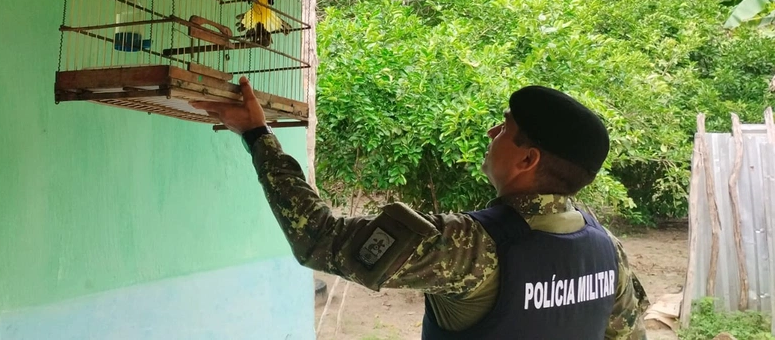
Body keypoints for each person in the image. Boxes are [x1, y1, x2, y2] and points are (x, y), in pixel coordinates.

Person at [191, 78, 650, 339]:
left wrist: (256, 134)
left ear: (528, 160)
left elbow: (318, 237)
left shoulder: (473, 247)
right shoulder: (606, 249)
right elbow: (628, 334)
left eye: (506, 128)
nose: (493, 133)